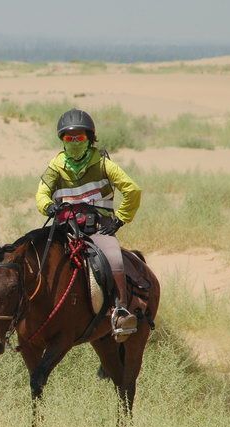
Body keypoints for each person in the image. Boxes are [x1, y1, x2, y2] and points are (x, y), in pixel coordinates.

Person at [35, 108, 144, 342]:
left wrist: (120, 220)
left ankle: (120, 311)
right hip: (66, 228)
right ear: (62, 140)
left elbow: (132, 190)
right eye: (69, 138)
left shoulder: (103, 163)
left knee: (113, 257)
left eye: (79, 137)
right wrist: (48, 206)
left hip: (99, 228)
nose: (74, 142)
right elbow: (41, 193)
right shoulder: (56, 166)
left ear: (89, 138)